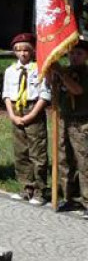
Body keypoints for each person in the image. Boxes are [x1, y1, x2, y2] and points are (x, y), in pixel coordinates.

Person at [2, 33, 51, 205]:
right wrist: (12, 115)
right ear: (14, 51)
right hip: (16, 108)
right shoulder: (10, 71)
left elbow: (44, 95)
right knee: (21, 151)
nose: (23, 54)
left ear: (32, 51)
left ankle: (40, 190)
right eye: (18, 50)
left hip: (33, 108)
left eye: (26, 50)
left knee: (37, 152)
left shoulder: (40, 69)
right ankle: (26, 187)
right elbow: (7, 95)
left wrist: (32, 115)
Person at [50, 39, 88, 218]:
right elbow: (52, 87)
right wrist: (51, 69)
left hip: (82, 121)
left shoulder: (85, 72)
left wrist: (61, 74)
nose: (74, 57)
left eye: (79, 53)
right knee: (64, 158)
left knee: (84, 161)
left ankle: (87, 200)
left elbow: (77, 90)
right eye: (72, 53)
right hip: (64, 118)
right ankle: (70, 196)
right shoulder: (65, 71)